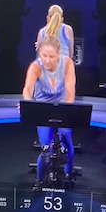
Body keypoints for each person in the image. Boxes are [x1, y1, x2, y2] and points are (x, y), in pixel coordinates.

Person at [22, 35, 76, 189]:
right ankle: (39, 181)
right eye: (44, 55)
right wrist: (27, 101)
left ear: (59, 54)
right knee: (46, 148)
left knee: (66, 141)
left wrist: (67, 110)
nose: (47, 60)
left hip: (63, 107)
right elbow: (28, 89)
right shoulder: (35, 66)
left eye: (51, 56)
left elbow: (70, 92)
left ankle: (68, 174)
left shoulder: (67, 63)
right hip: (43, 109)